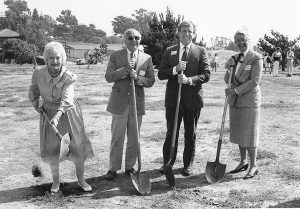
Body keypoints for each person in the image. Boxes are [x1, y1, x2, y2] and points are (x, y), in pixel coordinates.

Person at [28, 41, 94, 193]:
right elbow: (34, 91)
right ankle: (56, 182)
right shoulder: (38, 74)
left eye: (58, 57)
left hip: (68, 113)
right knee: (53, 149)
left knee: (76, 146)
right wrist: (35, 104)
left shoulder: (68, 76)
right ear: (46, 59)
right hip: (48, 113)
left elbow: (66, 99)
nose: (55, 61)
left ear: (62, 58)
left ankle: (82, 180)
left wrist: (57, 116)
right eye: (51, 58)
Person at [158, 21, 210, 176]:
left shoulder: (201, 51)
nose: (187, 34)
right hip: (174, 99)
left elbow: (206, 75)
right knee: (171, 132)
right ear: (178, 32)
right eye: (184, 31)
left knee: (190, 133)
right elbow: (161, 74)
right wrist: (175, 69)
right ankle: (168, 163)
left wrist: (189, 80)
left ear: (194, 33)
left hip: (192, 100)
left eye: (190, 31)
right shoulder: (170, 51)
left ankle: (188, 165)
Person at [104, 28, 155, 180]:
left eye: (137, 38)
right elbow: (108, 76)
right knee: (117, 138)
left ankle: (130, 167)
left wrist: (138, 78)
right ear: (124, 40)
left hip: (136, 103)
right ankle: (113, 169)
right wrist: (125, 71)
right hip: (119, 103)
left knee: (134, 138)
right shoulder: (115, 55)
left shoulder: (147, 58)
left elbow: (151, 80)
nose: (134, 40)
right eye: (130, 38)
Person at [224, 29, 263, 179]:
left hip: (249, 102)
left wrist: (235, 91)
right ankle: (243, 162)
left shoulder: (256, 57)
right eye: (237, 40)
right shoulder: (234, 57)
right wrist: (229, 68)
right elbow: (227, 79)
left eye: (243, 39)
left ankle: (254, 165)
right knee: (240, 132)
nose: (240, 43)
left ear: (249, 39)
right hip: (236, 102)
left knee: (250, 133)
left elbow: (254, 81)